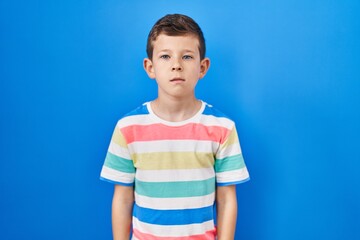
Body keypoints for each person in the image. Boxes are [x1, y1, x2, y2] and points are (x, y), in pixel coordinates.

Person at [100, 13, 250, 240]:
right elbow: (122, 198)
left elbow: (227, 198)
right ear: (150, 67)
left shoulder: (222, 128)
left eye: (187, 57)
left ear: (202, 67)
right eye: (165, 57)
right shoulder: (128, 128)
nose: (176, 66)